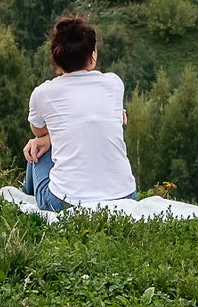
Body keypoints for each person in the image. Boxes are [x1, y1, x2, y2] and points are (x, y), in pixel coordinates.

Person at [23, 16, 137, 210]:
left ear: (57, 58)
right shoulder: (114, 83)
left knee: (36, 146)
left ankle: (27, 193)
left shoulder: (43, 93)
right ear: (92, 55)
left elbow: (39, 131)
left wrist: (44, 138)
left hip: (64, 202)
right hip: (125, 196)